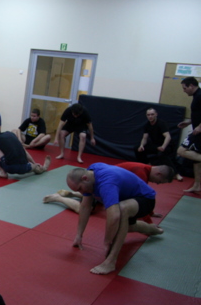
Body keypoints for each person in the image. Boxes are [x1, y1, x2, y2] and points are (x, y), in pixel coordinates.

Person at [66, 163, 164, 275]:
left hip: (146, 199)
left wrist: (108, 241)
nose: (81, 193)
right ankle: (153, 229)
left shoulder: (106, 184)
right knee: (129, 227)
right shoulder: (91, 172)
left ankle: (111, 262)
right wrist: (79, 235)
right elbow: (85, 207)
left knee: (122, 210)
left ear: (85, 178)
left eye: (80, 189)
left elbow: (114, 216)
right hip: (128, 198)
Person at [44, 162, 175, 217]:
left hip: (107, 186)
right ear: (159, 174)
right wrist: (148, 217)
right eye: (159, 181)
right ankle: (58, 198)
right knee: (86, 210)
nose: (157, 183)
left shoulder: (143, 168)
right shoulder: (141, 173)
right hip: (104, 187)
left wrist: (150, 213)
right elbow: (139, 200)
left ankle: (73, 193)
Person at [135, 108, 182, 180]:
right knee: (137, 148)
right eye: (148, 115)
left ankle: (176, 173)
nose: (150, 116)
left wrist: (163, 147)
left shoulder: (161, 123)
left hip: (167, 145)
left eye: (152, 114)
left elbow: (168, 137)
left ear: (156, 114)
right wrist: (141, 145)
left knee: (161, 154)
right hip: (156, 145)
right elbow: (144, 138)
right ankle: (148, 166)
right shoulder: (147, 125)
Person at [177, 77, 201, 193]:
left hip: (199, 132)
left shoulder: (200, 95)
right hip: (197, 130)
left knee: (181, 151)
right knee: (196, 159)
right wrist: (189, 122)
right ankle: (197, 185)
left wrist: (200, 126)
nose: (184, 91)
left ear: (191, 86)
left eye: (184, 88)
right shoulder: (196, 96)